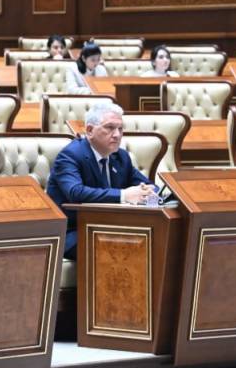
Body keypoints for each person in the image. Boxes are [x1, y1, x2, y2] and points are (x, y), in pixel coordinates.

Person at [46, 102, 156, 259]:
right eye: (110, 128)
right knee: (121, 246)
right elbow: (75, 192)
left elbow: (148, 185)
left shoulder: (121, 157)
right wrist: (124, 195)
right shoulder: (70, 155)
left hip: (109, 228)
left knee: (153, 238)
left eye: (120, 129)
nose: (117, 134)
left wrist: (150, 194)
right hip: (72, 232)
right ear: (90, 130)